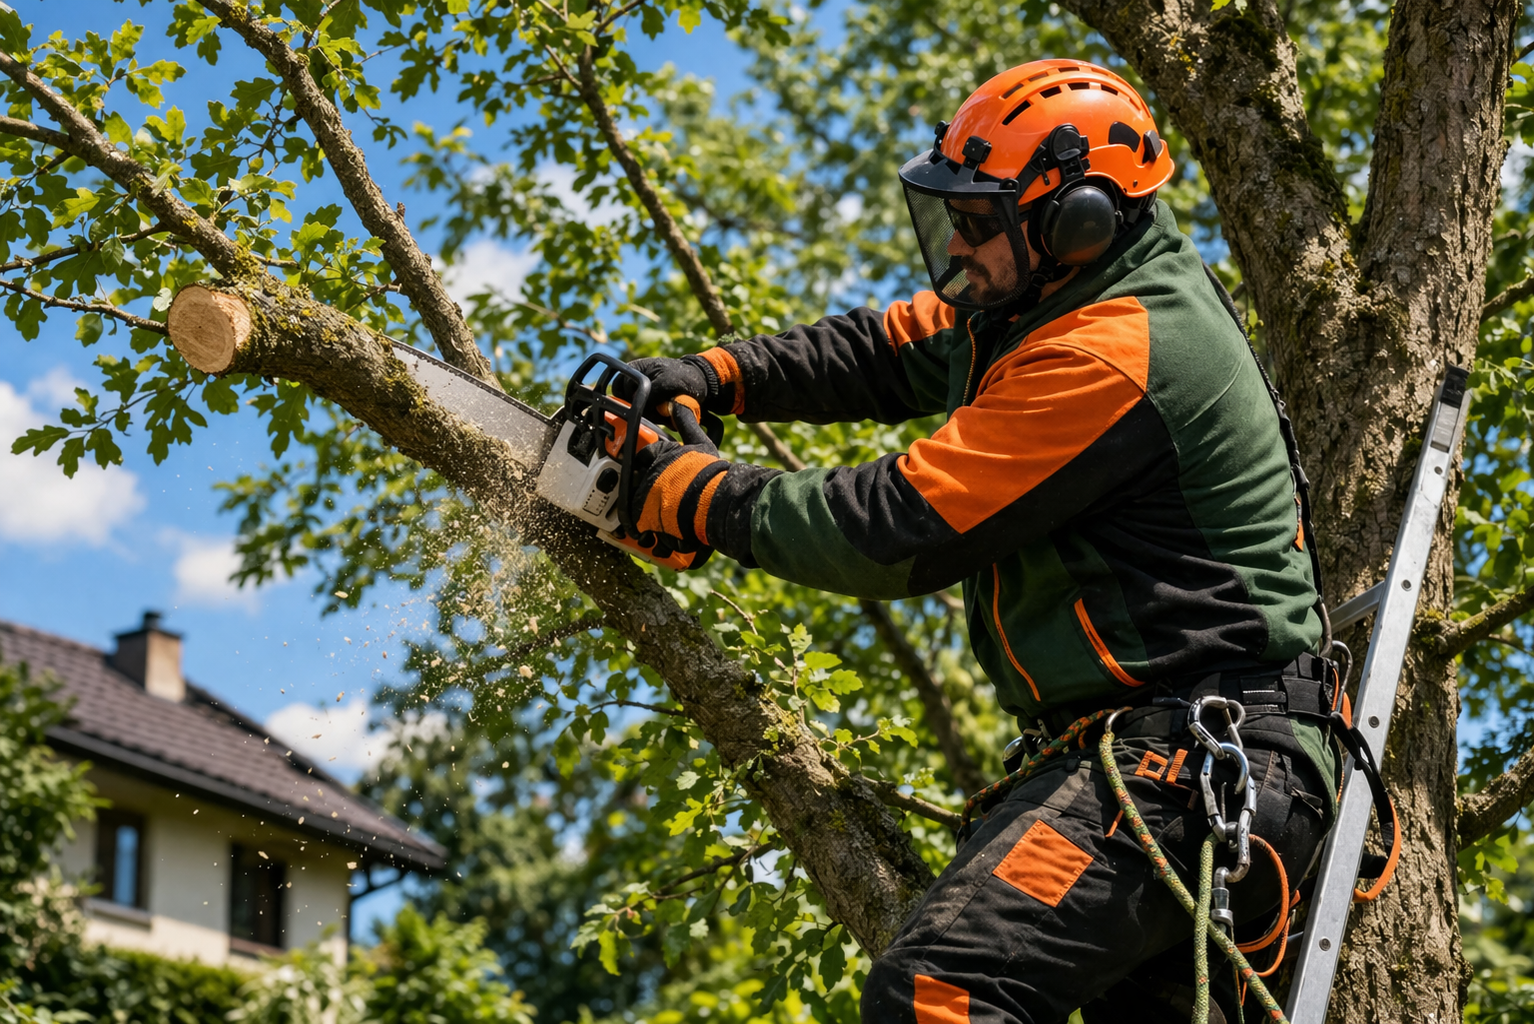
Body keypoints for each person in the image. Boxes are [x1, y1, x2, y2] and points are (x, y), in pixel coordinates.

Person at [618, 60, 1341, 1022]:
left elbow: (897, 526)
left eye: (979, 221)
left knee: (944, 994)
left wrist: (697, 495)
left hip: (1191, 765)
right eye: (952, 213)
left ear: (1074, 220)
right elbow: (880, 350)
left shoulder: (1115, 351)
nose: (957, 242)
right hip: (1158, 760)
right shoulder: (1041, 298)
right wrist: (716, 375)